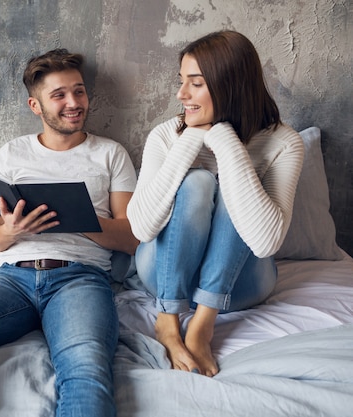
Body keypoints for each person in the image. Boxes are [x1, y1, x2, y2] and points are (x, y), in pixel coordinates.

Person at [0, 49, 138, 417]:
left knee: (85, 365)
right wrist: (12, 230)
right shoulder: (12, 154)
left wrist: (77, 219)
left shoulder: (110, 154)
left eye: (79, 92)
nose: (74, 103)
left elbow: (130, 238)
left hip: (78, 279)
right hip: (10, 280)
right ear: (36, 105)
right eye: (59, 95)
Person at [125, 30, 305, 377]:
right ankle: (167, 320)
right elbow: (142, 227)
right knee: (197, 181)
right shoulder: (167, 135)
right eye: (182, 82)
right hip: (163, 276)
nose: (181, 95)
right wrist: (191, 139)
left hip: (241, 285)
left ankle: (202, 326)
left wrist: (226, 141)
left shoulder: (284, 142)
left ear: (231, 86)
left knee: (233, 188)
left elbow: (266, 242)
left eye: (195, 84)